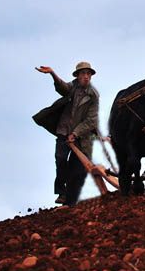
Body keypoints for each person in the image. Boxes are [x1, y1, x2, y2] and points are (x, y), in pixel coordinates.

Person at [33, 62, 100, 206]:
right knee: (60, 159)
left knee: (76, 168)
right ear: (77, 76)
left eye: (88, 74)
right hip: (63, 131)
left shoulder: (93, 96)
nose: (86, 77)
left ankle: (69, 197)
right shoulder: (72, 88)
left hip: (81, 137)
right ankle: (61, 192)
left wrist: (76, 133)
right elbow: (62, 87)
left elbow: (90, 120)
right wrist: (52, 73)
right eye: (83, 74)